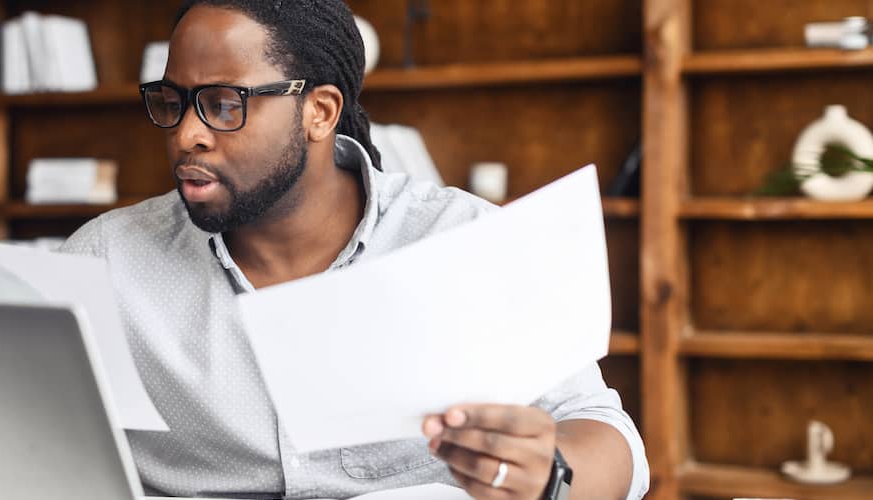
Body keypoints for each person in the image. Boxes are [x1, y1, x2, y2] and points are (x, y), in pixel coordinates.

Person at [59, 1, 649, 498]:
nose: (187, 133)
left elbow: (605, 432)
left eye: (223, 102)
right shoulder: (105, 263)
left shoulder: (464, 241)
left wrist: (551, 475)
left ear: (319, 112)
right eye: (173, 101)